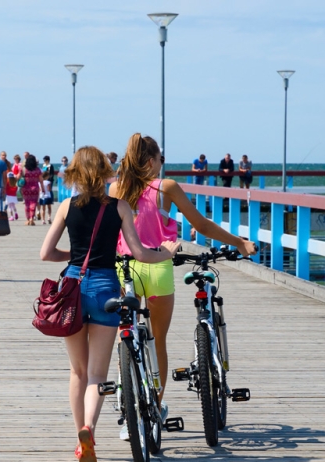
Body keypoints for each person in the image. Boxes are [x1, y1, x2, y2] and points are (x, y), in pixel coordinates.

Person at [40, 145, 180, 462]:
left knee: (77, 371)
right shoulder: (119, 207)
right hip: (106, 288)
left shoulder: (65, 206)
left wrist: (73, 260)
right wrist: (168, 253)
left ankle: (81, 438)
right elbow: (141, 253)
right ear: (104, 172)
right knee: (96, 375)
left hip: (73, 287)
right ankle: (90, 426)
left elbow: (46, 253)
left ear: (75, 173)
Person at [110, 133, 257, 439]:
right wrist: (239, 242)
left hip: (124, 268)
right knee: (157, 341)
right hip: (158, 268)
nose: (162, 165)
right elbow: (201, 225)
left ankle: (128, 413)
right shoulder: (167, 188)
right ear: (151, 161)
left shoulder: (115, 188)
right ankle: (155, 408)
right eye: (160, 159)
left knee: (128, 338)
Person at [21, 154, 42, 225]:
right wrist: (43, 188)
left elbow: (18, 177)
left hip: (26, 188)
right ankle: (31, 218)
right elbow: (41, 180)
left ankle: (27, 219)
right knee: (33, 203)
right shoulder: (38, 170)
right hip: (35, 188)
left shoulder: (24, 169)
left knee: (27, 203)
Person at [40, 156, 56, 223]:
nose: (44, 161)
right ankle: (45, 218)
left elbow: (52, 173)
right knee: (44, 207)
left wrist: (49, 179)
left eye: (45, 160)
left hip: (48, 180)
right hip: (45, 180)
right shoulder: (43, 165)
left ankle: (46, 218)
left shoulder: (50, 165)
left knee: (49, 191)